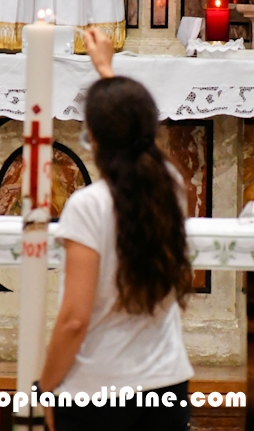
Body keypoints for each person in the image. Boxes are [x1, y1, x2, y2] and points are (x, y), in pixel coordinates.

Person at [36, 41, 195, 430]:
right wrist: (105, 69)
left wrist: (44, 388)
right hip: (166, 386)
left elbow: (74, 319)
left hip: (98, 393)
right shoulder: (170, 187)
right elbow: (135, 131)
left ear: (93, 136)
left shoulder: (88, 206)